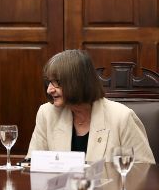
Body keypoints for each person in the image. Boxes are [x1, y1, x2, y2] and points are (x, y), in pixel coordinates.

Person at [26, 49, 155, 164]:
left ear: (79, 82)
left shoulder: (122, 117)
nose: (49, 90)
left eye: (57, 82)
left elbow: (144, 171)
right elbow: (32, 163)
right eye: (49, 82)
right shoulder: (47, 113)